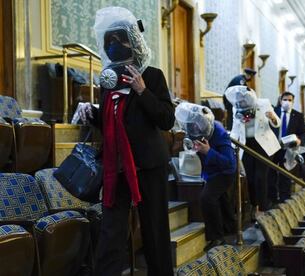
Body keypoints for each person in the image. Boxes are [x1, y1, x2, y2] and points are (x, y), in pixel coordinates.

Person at [79, 7, 174, 276]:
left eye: (118, 41)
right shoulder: (108, 80)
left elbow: (166, 119)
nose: (112, 46)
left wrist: (142, 90)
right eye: (108, 42)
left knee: (155, 231)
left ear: (132, 41)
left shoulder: (152, 75)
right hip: (117, 167)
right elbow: (112, 121)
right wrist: (92, 114)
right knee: (111, 231)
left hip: (148, 165)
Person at [175, 102, 237, 252]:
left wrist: (208, 151)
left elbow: (229, 163)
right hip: (210, 171)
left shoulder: (219, 132)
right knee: (221, 200)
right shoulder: (193, 128)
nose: (194, 129)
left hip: (224, 172)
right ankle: (230, 229)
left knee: (207, 198)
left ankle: (217, 238)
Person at [225, 85, 281, 218]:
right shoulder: (236, 107)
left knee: (260, 177)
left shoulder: (263, 103)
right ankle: (254, 205)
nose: (242, 102)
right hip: (247, 145)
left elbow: (277, 123)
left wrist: (272, 117)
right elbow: (235, 128)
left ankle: (262, 210)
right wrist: (231, 144)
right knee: (250, 178)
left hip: (264, 145)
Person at [269, 91, 305, 203]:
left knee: (286, 175)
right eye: (285, 99)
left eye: (290, 100)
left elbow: (303, 133)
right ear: (280, 100)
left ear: (293, 102)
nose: (287, 102)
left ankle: (285, 199)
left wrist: (300, 140)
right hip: (274, 147)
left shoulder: (298, 116)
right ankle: (273, 199)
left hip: (289, 149)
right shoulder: (273, 112)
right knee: (271, 174)